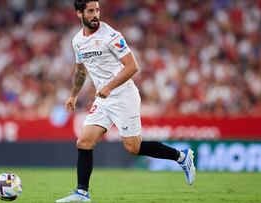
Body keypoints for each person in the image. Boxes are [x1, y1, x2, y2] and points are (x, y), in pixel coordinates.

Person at [56, 0, 196, 202]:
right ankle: (82, 193)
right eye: (90, 11)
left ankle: (182, 157)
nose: (96, 14)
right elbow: (80, 70)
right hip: (103, 99)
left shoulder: (111, 36)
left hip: (123, 96)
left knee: (133, 147)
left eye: (97, 9)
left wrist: (109, 86)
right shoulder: (77, 41)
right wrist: (74, 95)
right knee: (84, 141)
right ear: (79, 14)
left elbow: (132, 66)